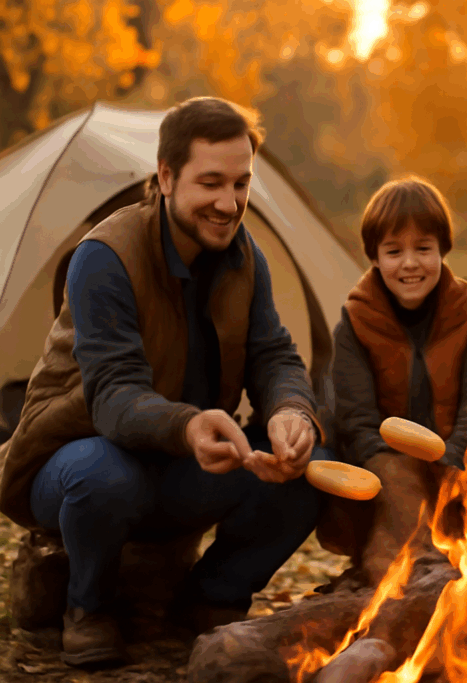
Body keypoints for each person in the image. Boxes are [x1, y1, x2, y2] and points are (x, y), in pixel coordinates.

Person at [0, 97, 332, 667]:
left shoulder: (245, 257)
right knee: (106, 474)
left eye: (241, 183)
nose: (229, 204)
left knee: (311, 469)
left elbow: (273, 353)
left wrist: (289, 413)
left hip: (186, 467)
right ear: (167, 177)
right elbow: (112, 397)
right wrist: (189, 423)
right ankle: (88, 608)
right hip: (73, 461)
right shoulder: (105, 257)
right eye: (211, 183)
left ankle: (208, 602)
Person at [319, 175, 467, 584]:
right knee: (396, 475)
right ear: (375, 258)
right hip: (382, 464)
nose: (410, 263)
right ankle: (418, 570)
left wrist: (452, 462)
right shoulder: (355, 321)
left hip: (455, 457)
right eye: (394, 251)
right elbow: (357, 422)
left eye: (423, 249)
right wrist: (407, 468)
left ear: (442, 251)